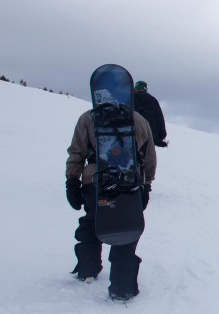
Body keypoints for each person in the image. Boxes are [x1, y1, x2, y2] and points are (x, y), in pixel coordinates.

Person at [66, 95, 157, 301]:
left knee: (92, 221)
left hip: (95, 180)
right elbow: (149, 155)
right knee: (125, 228)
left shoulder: (88, 118)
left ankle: (87, 270)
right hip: (129, 182)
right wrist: (147, 184)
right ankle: (122, 287)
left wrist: (72, 180)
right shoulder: (139, 120)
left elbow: (77, 151)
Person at [134, 80, 168, 147]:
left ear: (135, 88)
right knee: (147, 156)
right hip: (149, 138)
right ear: (145, 89)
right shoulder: (153, 100)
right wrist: (161, 137)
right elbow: (159, 119)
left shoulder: (129, 99)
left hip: (132, 135)